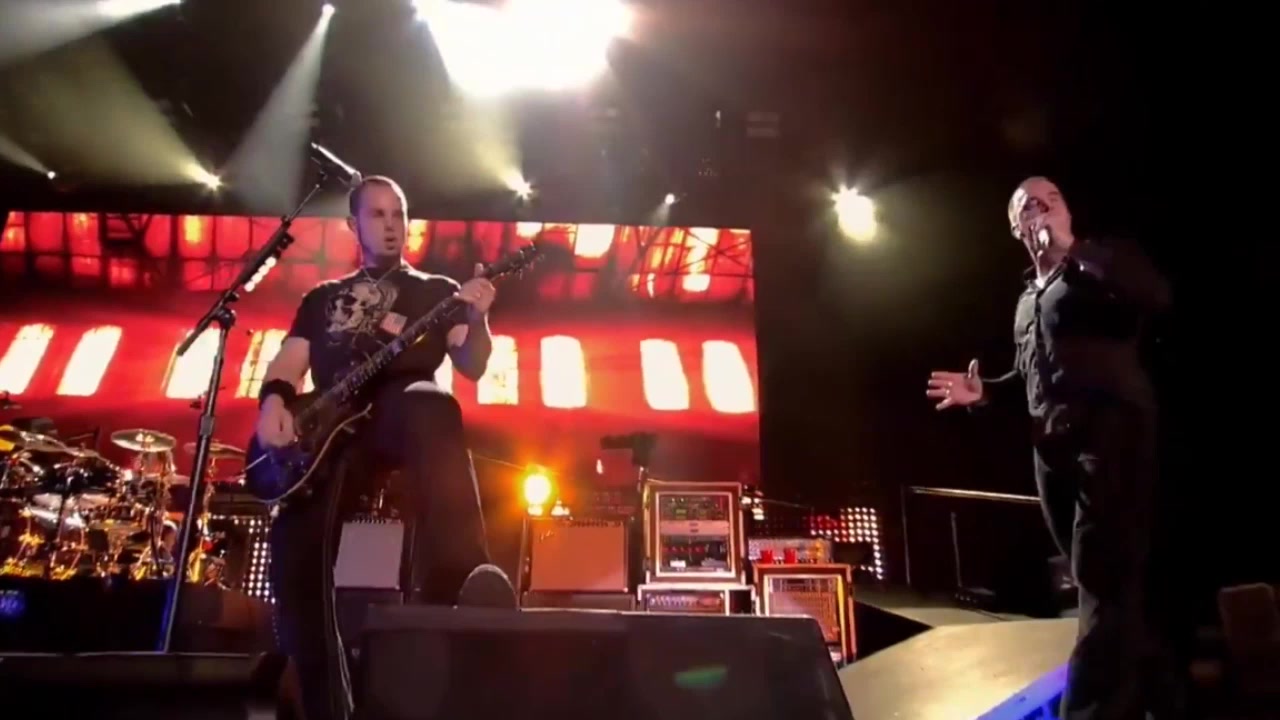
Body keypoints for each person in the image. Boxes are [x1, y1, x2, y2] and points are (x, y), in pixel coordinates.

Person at [255, 175, 516, 720]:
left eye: (398, 213)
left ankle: (462, 576)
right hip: (328, 430)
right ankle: (326, 701)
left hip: (399, 410)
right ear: (353, 225)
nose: (391, 224)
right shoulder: (321, 298)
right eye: (377, 215)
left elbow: (471, 364)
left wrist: (478, 318)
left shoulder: (436, 289)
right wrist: (273, 404)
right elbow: (289, 362)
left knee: (433, 403)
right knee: (294, 547)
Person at [926, 177, 1174, 719]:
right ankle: (1161, 694)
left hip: (1111, 440)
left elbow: (1155, 295)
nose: (1039, 209)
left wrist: (1072, 249)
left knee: (1102, 579)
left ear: (1066, 213)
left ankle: (1089, 711)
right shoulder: (1026, 300)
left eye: (1050, 200)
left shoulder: (1097, 266)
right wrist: (985, 393)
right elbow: (1029, 379)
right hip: (1054, 452)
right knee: (1102, 579)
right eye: (1027, 206)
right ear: (1016, 227)